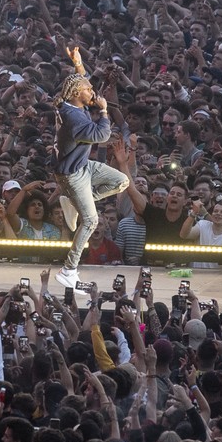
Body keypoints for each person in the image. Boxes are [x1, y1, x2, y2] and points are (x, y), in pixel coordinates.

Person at [52, 51, 130, 289]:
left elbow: (80, 81)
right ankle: (69, 269)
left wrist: (78, 64)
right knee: (90, 220)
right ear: (78, 94)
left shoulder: (71, 101)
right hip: (72, 174)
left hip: (83, 165)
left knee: (121, 182)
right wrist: (105, 111)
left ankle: (73, 202)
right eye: (88, 90)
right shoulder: (75, 118)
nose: (93, 92)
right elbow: (103, 135)